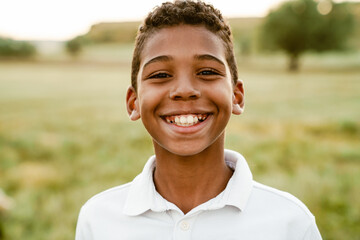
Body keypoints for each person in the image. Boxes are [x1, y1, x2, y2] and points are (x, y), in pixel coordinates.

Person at [75, 1, 322, 239]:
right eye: (160, 74)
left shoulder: (290, 223)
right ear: (134, 102)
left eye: (206, 72)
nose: (184, 89)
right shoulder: (98, 220)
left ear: (237, 96)